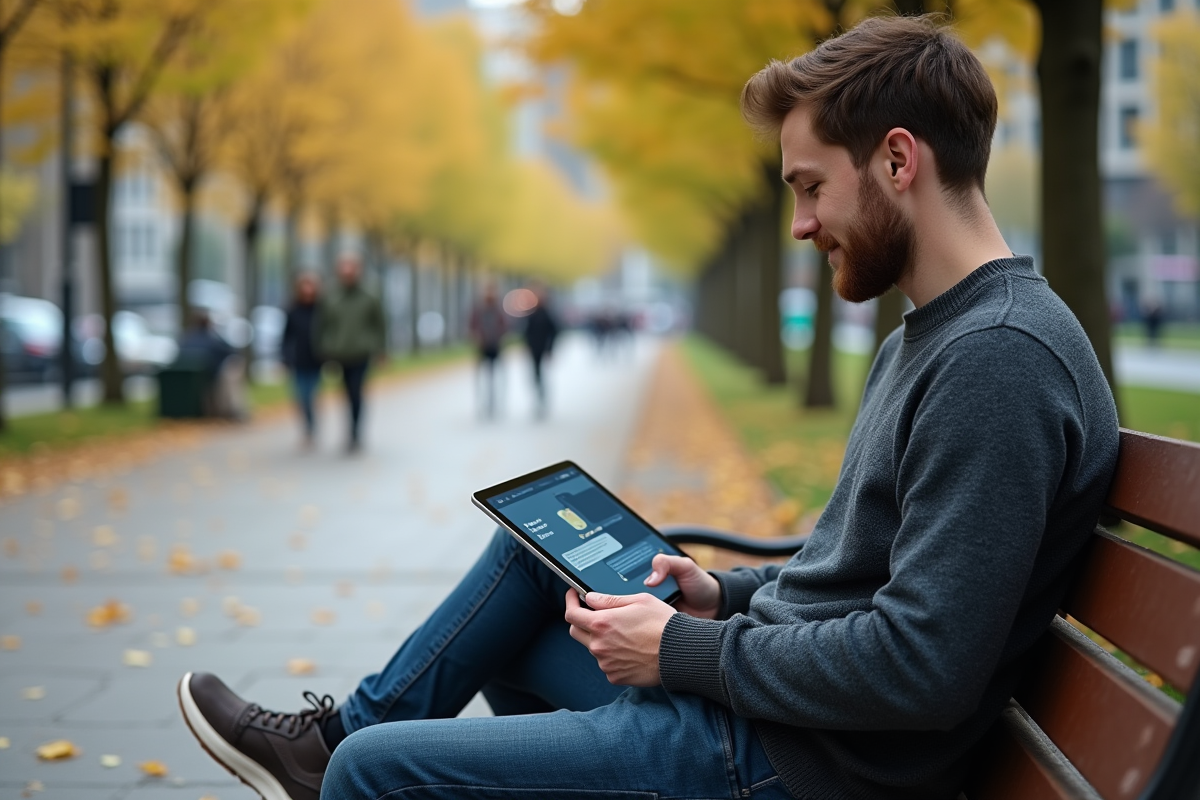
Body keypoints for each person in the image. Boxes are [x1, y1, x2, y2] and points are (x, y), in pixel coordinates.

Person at [176, 16, 1119, 800]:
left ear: (898, 161)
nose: (800, 224)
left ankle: (340, 752)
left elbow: (921, 666)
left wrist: (684, 650)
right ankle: (337, 730)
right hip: (765, 712)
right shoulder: (934, 337)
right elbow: (857, 574)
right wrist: (719, 593)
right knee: (536, 559)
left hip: (791, 760)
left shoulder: (997, 361)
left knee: (373, 777)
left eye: (810, 187)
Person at [315, 256, 386, 453]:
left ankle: (355, 432)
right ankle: (349, 430)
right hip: (338, 353)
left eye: (351, 269)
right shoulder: (331, 295)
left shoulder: (370, 296)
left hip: (361, 352)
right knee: (345, 393)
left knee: (356, 392)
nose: (347, 273)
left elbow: (379, 324)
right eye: (344, 269)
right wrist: (323, 347)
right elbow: (323, 324)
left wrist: (380, 349)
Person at [281, 273, 322, 448]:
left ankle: (312, 428)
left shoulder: (321, 310)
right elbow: (286, 336)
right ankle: (307, 429)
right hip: (298, 360)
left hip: (316, 360)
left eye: (310, 285)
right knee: (300, 397)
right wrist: (284, 357)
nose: (307, 289)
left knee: (310, 396)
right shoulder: (292, 310)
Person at [467, 281, 508, 419]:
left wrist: (498, 337)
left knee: (495, 377)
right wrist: (477, 337)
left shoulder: (498, 310)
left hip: (495, 347)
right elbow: (472, 326)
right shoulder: (478, 310)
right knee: (481, 377)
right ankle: (482, 403)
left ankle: (494, 402)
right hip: (482, 348)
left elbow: (504, 326)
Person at [523, 283, 559, 418]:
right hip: (533, 348)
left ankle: (542, 398)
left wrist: (550, 349)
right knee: (535, 375)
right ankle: (538, 398)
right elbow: (526, 332)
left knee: (542, 375)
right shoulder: (531, 314)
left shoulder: (546, 314)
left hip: (543, 348)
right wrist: (526, 345)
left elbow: (554, 331)